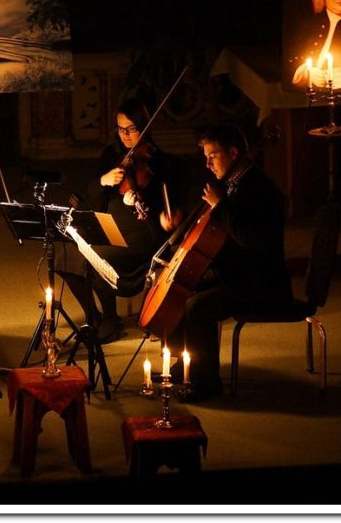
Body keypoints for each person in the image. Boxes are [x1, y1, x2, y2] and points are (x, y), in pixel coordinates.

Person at [165, 125, 292, 401]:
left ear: (233, 153)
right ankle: (180, 364)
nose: (207, 163)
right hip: (238, 271)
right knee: (181, 283)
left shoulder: (260, 189)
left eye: (213, 155)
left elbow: (250, 240)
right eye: (205, 156)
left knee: (197, 305)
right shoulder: (232, 182)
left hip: (261, 281)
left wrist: (221, 206)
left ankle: (206, 384)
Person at [84, 98, 190, 343]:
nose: (125, 135)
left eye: (131, 129)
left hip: (141, 234)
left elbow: (171, 204)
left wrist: (158, 211)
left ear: (145, 127)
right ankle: (100, 317)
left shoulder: (158, 161)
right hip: (110, 227)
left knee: (94, 257)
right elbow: (89, 190)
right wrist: (104, 180)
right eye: (120, 129)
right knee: (66, 258)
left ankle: (111, 318)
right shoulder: (111, 154)